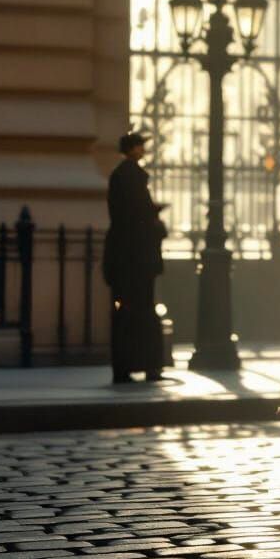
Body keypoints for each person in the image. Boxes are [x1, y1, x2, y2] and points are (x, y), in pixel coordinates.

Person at [102, 132, 167, 384]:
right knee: (141, 312)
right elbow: (139, 217)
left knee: (126, 313)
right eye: (140, 145)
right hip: (136, 261)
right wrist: (156, 223)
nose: (143, 150)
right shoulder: (132, 178)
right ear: (132, 148)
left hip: (124, 260)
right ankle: (146, 365)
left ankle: (125, 368)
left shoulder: (122, 176)